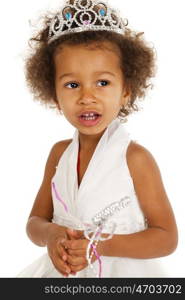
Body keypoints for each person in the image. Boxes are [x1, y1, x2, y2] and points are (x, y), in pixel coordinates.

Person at [17, 0, 178, 278]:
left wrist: (100, 246)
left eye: (102, 83)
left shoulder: (135, 158)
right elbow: (34, 223)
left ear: (126, 90)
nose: (86, 97)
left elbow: (166, 237)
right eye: (72, 85)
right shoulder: (59, 154)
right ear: (55, 96)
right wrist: (52, 234)